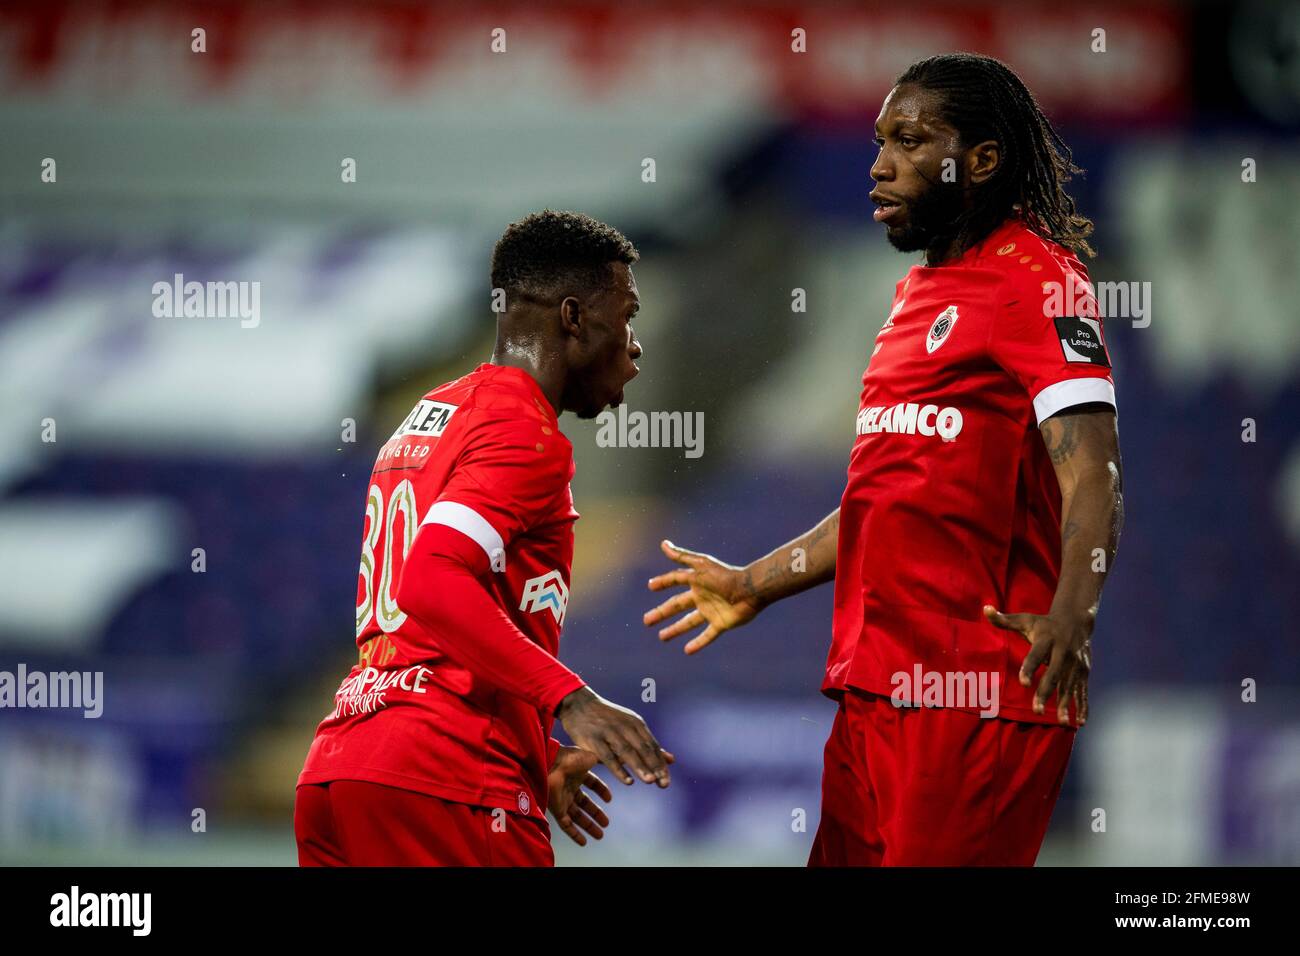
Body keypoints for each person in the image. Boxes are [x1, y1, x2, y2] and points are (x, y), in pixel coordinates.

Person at [644, 53, 1124, 866]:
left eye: (908, 141)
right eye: (877, 143)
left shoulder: (1038, 281)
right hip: (874, 694)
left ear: (980, 160)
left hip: (975, 698)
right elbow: (886, 497)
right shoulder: (915, 296)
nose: (880, 166)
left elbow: (1095, 471)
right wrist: (751, 584)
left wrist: (1074, 613)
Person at [296, 210, 672, 866]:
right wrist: (570, 701)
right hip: (450, 781)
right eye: (629, 314)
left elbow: (421, 638)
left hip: (344, 769)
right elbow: (433, 581)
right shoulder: (525, 433)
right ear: (575, 317)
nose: (635, 343)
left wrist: (539, 750)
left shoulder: (433, 416)